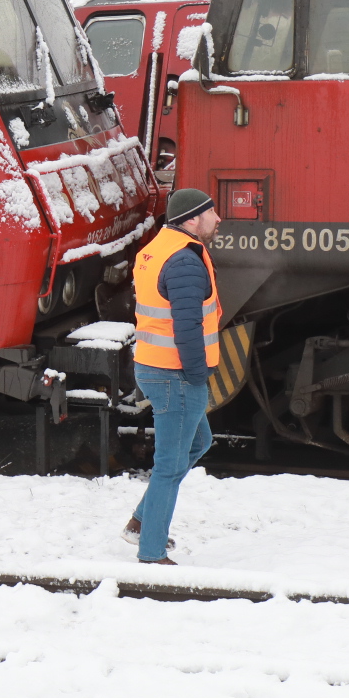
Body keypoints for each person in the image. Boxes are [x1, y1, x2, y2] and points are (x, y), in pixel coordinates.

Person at [122, 187, 223, 565]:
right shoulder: (183, 261)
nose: (218, 219)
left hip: (153, 365)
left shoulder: (156, 249)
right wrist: (198, 376)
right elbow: (187, 327)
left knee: (198, 443)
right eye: (212, 212)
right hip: (175, 373)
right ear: (192, 219)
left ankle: (140, 522)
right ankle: (151, 551)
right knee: (170, 464)